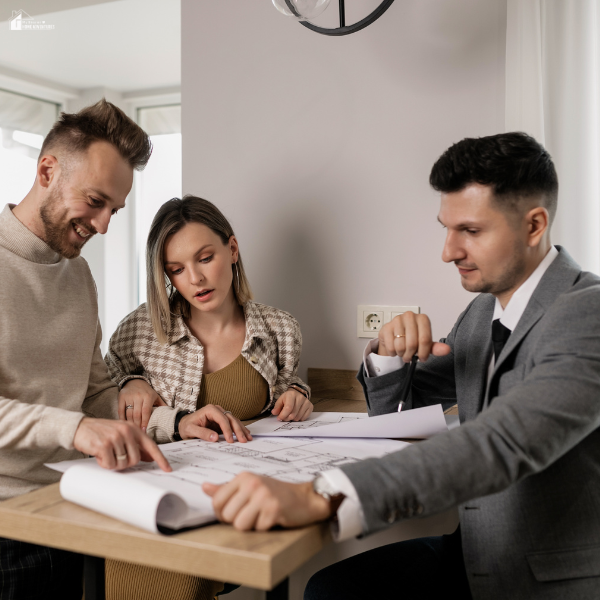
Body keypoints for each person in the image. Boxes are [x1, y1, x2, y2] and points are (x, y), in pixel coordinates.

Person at [202, 132, 600, 600]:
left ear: (535, 226)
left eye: (470, 231)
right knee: (331, 590)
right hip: (471, 552)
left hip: (543, 575)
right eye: (446, 229)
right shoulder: (482, 314)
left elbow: (500, 443)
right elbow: (403, 409)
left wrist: (321, 494)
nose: (448, 251)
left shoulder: (587, 313)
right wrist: (388, 354)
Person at [0, 99, 173, 600]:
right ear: (47, 170)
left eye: (113, 211)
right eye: (95, 202)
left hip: (69, 506)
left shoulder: (77, 273)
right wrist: (75, 427)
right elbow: (79, 418)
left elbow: (94, 389)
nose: (102, 226)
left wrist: (175, 422)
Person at [104, 195, 313, 599]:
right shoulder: (141, 330)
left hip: (238, 492)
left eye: (204, 258)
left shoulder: (281, 328)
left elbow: (287, 385)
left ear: (232, 250)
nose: (195, 279)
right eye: (177, 270)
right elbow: (101, 396)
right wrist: (127, 382)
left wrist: (299, 395)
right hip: (158, 491)